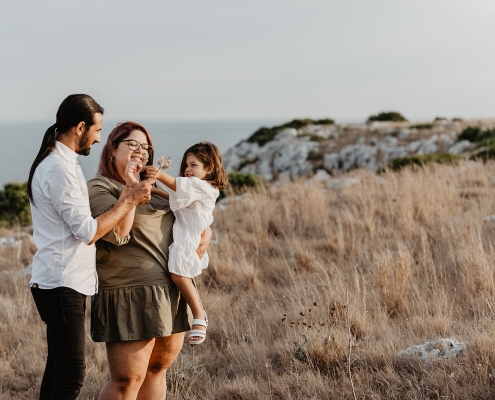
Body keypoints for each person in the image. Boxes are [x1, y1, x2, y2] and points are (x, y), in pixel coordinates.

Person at [27, 95, 154, 400]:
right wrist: (131, 201)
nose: (99, 139)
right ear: (80, 127)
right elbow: (87, 232)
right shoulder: (59, 169)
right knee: (71, 372)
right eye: (97, 131)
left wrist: (126, 199)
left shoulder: (59, 162)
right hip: (61, 281)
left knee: (58, 367)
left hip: (61, 280)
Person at [87, 122, 212, 400]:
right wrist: (130, 191)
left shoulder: (152, 187)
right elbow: (118, 233)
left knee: (156, 370)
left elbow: (191, 212)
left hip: (170, 290)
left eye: (145, 147)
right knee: (127, 380)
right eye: (132, 144)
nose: (140, 151)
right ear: (112, 149)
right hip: (128, 292)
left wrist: (208, 230)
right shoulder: (99, 187)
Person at [145, 142, 228, 346]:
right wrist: (157, 192)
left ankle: (200, 315)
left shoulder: (201, 185)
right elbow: (178, 198)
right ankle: (195, 313)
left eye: (194, 165)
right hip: (186, 234)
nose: (188, 170)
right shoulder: (195, 187)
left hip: (189, 236)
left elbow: (178, 186)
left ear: (209, 169)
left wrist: (157, 173)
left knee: (178, 275)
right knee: (180, 276)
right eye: (186, 166)